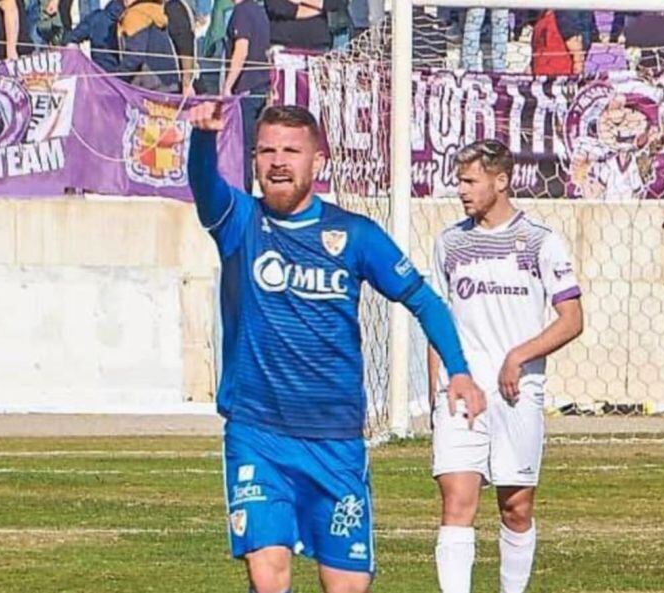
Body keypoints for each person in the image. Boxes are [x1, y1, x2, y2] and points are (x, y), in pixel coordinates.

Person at [186, 103, 486, 593]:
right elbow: (204, 186)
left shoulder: (353, 234)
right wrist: (202, 139)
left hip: (337, 440)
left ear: (318, 162)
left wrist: (458, 370)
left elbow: (424, 300)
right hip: (259, 434)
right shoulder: (239, 222)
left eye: (291, 151)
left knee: (347, 586)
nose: (278, 161)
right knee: (268, 576)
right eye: (266, 151)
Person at [429, 138, 583, 593]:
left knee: (515, 507)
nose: (461, 190)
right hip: (462, 393)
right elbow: (437, 318)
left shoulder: (540, 241)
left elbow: (572, 319)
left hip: (517, 394)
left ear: (501, 181)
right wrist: (439, 390)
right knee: (457, 500)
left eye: (470, 180)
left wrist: (519, 356)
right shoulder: (449, 243)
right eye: (459, 180)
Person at [221, 0, 268, 191]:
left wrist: (227, 86)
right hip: (262, 87)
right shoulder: (261, 12)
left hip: (246, 90)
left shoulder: (241, 12)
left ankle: (243, 195)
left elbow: (241, 50)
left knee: (241, 149)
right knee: (253, 149)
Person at [116, 0, 179, 92]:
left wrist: (116, 79)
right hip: (168, 80)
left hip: (152, 85)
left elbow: (135, 56)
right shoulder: (154, 10)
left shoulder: (136, 15)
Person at [64, 0, 124, 72]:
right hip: (116, 75)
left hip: (100, 75)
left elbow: (72, 37)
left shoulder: (97, 17)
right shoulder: (98, 17)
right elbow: (72, 37)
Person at [265, 0, 343, 51]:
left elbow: (333, 3)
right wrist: (318, 7)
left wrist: (300, 2)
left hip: (318, 43)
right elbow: (278, 8)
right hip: (282, 44)